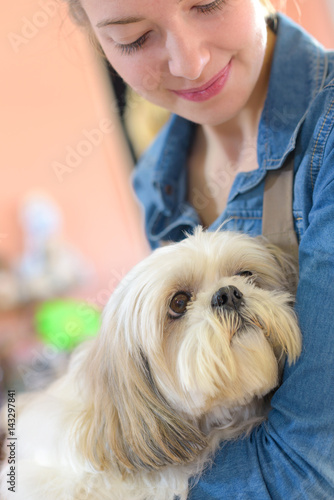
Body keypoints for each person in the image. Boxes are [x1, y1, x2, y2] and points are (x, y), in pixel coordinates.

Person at [63, 0, 334, 498]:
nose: (190, 63)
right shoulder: (155, 182)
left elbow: (309, 468)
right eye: (134, 38)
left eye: (209, 4)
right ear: (99, 44)